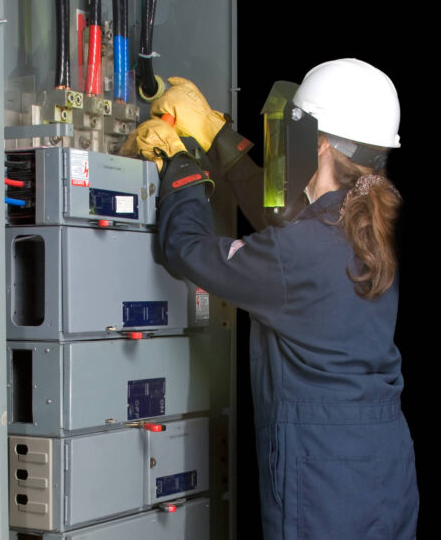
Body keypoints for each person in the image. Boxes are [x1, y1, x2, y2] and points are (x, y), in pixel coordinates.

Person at [125, 59, 419, 539]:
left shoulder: (300, 251)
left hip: (322, 474)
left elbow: (188, 251)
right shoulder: (376, 221)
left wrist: (178, 164)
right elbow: (284, 222)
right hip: (383, 466)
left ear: (318, 145)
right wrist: (217, 137)